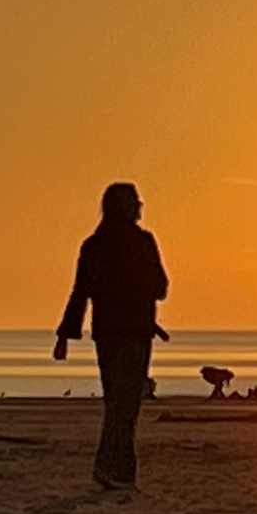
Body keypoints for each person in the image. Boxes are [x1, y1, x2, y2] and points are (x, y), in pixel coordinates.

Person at [54, 183, 169, 489]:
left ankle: (119, 469)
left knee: (116, 400)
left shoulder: (94, 244)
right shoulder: (143, 242)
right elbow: (161, 287)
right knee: (127, 403)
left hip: (106, 333)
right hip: (134, 332)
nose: (141, 208)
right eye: (137, 203)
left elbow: (80, 292)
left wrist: (65, 334)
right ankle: (114, 467)